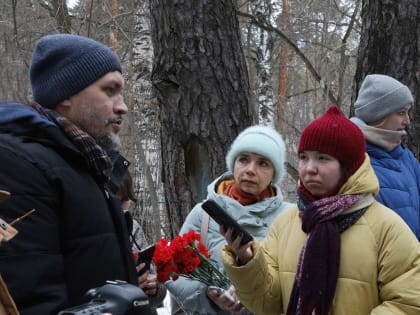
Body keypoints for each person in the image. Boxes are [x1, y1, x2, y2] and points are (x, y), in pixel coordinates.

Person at [221, 105, 420, 315]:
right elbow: (267, 304)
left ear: (349, 167)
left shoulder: (387, 227)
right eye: (304, 157)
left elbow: (408, 304)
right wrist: (248, 261)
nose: (309, 168)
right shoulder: (286, 223)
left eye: (323, 158)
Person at [0, 34, 141, 314]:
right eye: (110, 90)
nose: (122, 106)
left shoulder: (88, 166)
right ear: (65, 94)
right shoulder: (19, 164)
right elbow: (30, 299)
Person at [166, 125, 293, 314]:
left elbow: (297, 280)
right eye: (243, 159)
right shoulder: (203, 215)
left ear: (274, 173)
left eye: (263, 163)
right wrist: (206, 294)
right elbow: (173, 271)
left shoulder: (290, 217)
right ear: (233, 163)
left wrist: (252, 292)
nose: (250, 170)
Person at [350, 74, 420, 239]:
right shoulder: (354, 160)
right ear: (379, 115)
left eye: (407, 113)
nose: (407, 121)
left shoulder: (406, 158)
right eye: (401, 113)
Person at [116, 170, 167, 314]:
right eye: (117, 202)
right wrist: (128, 286)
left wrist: (153, 288)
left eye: (124, 202)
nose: (122, 209)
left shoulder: (133, 228)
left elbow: (159, 294)